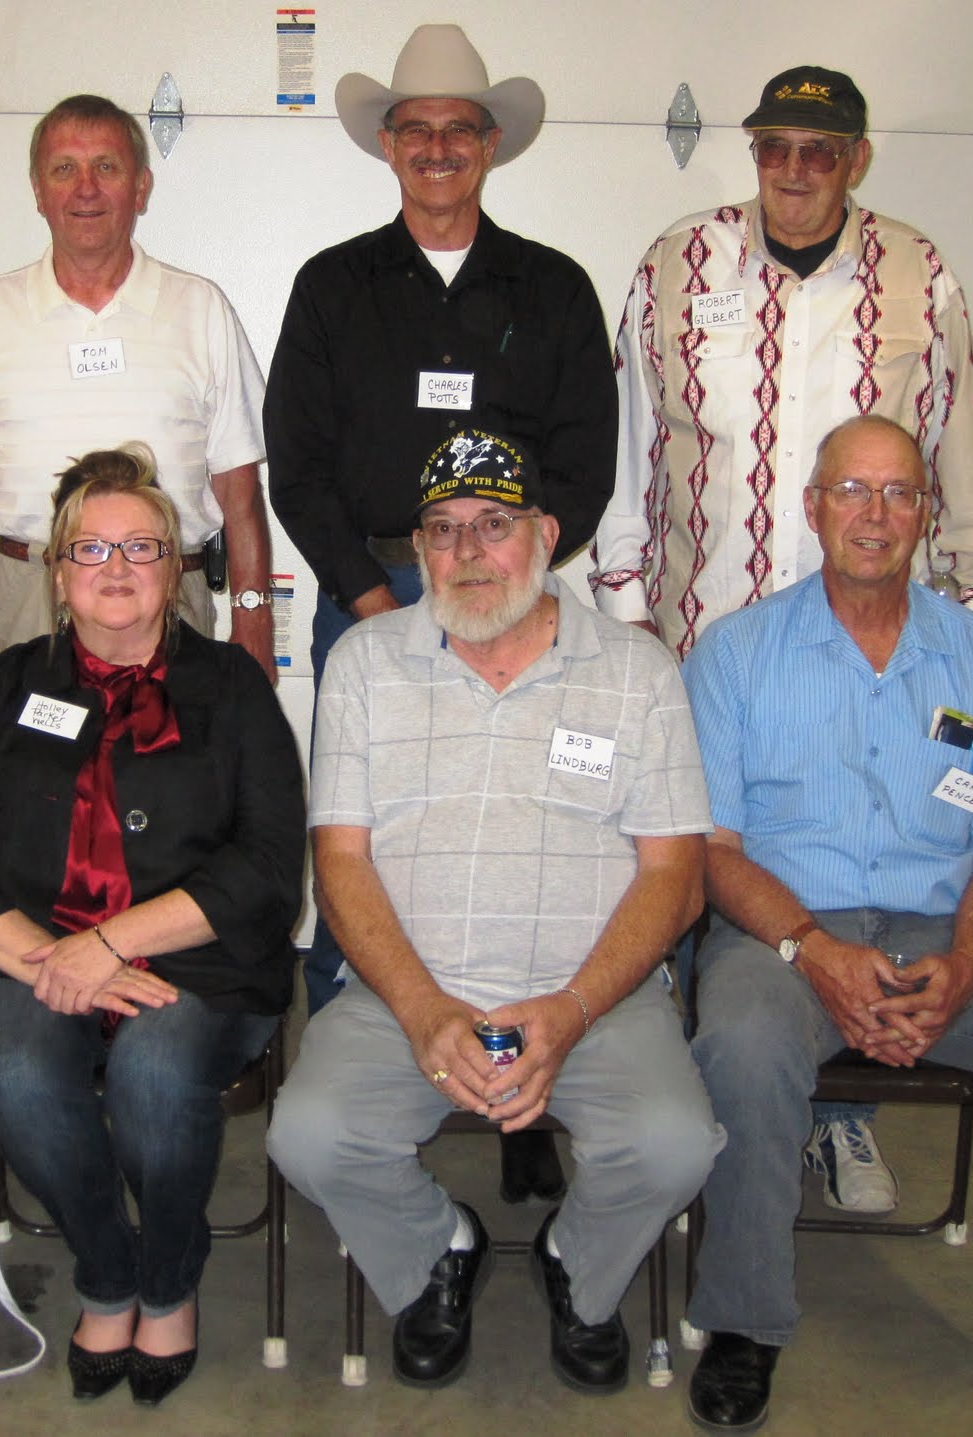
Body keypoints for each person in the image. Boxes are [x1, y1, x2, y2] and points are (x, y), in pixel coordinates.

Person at [591, 64, 973, 1211]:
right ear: (753, 152)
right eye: (775, 146)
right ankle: (688, 1110)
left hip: (868, 649)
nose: (793, 170)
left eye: (819, 151)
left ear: (856, 161)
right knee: (683, 874)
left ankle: (835, 1115)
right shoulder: (674, 268)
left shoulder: (919, 276)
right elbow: (628, 460)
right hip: (705, 645)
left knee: (855, 870)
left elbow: (961, 458)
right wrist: (629, 626)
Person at [680, 415, 973, 1437]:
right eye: (852, 491)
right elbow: (713, 850)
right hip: (783, 933)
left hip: (942, 933)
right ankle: (742, 1324)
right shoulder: (735, 653)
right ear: (812, 509)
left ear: (924, 518)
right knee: (743, 1037)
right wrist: (814, 952)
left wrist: (964, 969)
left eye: (899, 495)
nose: (875, 515)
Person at [268, 428, 723, 1395]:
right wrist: (425, 1008)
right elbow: (339, 861)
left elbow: (675, 877)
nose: (468, 552)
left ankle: (580, 1272)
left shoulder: (638, 673)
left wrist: (574, 1008)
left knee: (677, 1141)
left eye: (494, 525)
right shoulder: (362, 665)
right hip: (406, 996)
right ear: (417, 549)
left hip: (596, 998)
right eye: (441, 529)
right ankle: (440, 1245)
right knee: (306, 1132)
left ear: (548, 535)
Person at [264, 22, 616, 1198]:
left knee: (518, 839)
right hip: (366, 595)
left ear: (491, 142)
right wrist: (370, 604)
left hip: (512, 596)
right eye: (411, 130)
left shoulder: (554, 288)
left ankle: (524, 1108)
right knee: (361, 836)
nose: (434, 148)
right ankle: (351, 1088)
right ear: (385, 145)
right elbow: (295, 463)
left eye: (456, 129)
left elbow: (585, 464)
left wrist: (503, 584)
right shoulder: (331, 286)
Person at [0, 446, 304, 1408]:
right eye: (91, 550)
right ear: (56, 574)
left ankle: (169, 1279)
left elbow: (266, 866)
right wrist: (60, 956)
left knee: (156, 1072)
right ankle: (109, 1266)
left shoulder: (234, 688)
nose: (117, 568)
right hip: (37, 951)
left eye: (143, 546)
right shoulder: (8, 684)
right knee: (12, 1071)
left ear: (176, 569)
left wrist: (118, 940)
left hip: (198, 960)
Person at [0, 94, 276, 713]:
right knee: (32, 801)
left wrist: (252, 617)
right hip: (23, 606)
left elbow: (238, 487)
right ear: (38, 190)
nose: (85, 188)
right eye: (64, 169)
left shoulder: (200, 308)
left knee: (176, 796)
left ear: (142, 187)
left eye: (107, 167)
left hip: (169, 598)